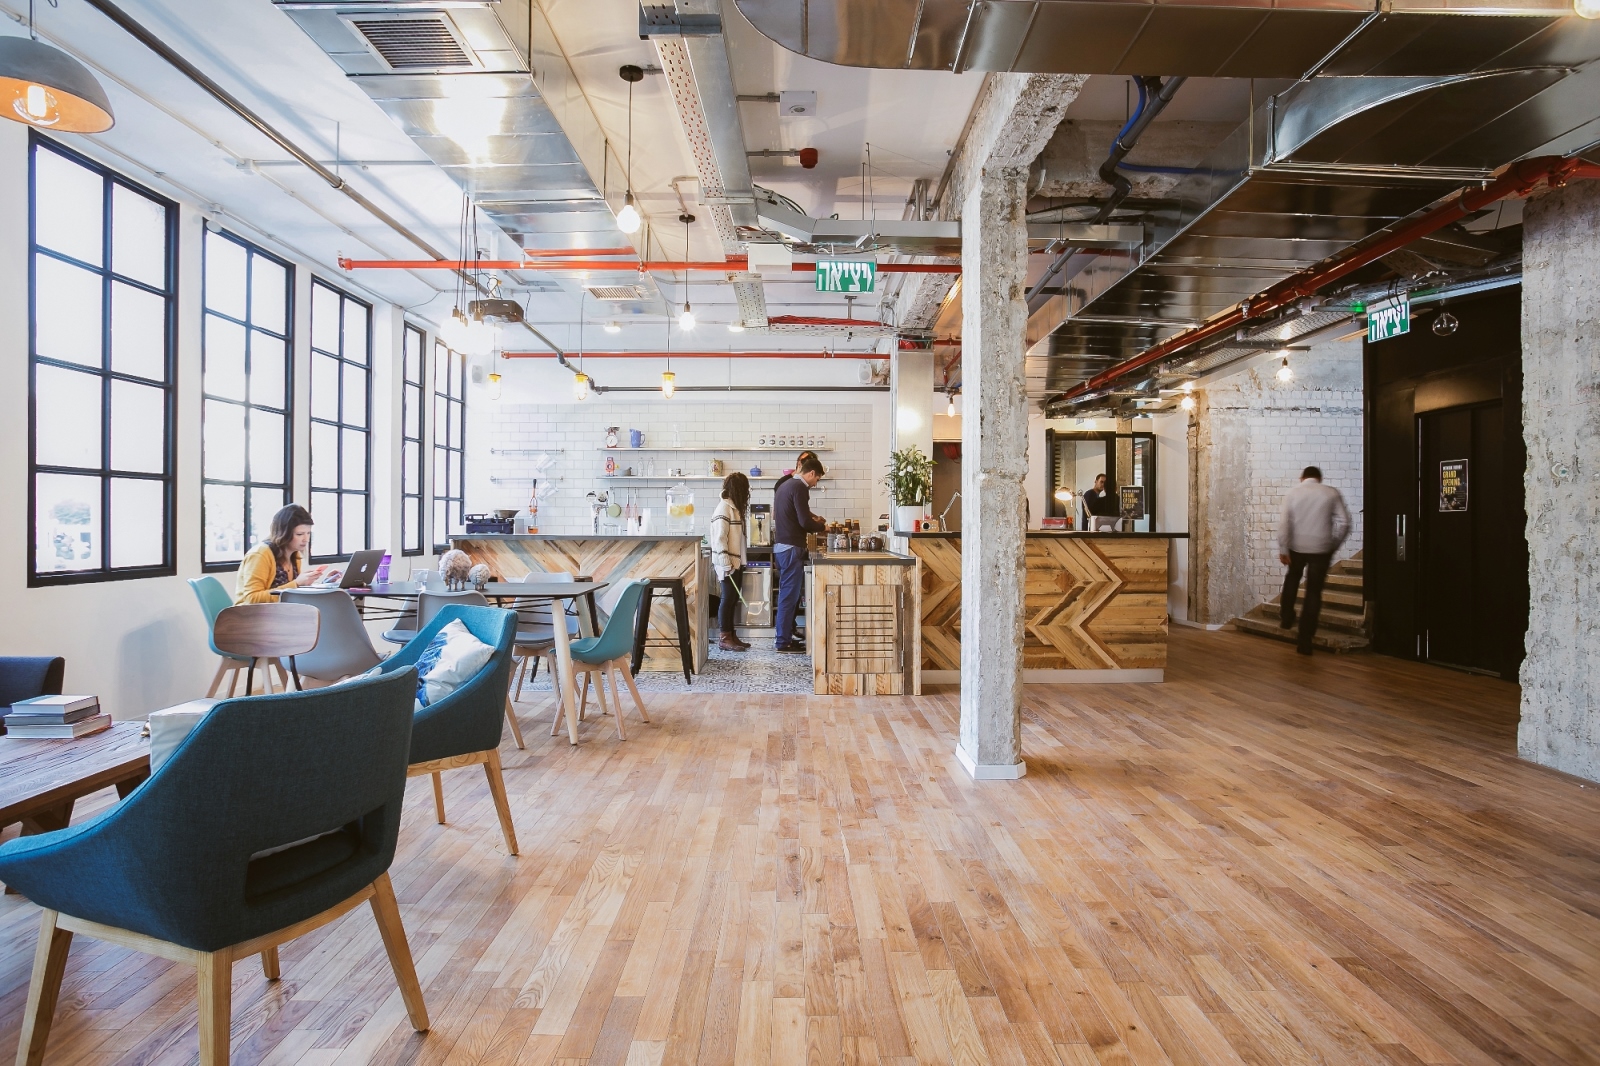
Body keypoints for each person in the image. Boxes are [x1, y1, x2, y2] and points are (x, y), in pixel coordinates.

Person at [1278, 466, 1352, 655]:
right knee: (1313, 592)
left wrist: (1283, 548)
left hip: (1297, 546)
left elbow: (1285, 523)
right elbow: (1344, 522)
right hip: (1321, 548)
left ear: (1302, 477)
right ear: (1319, 478)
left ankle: (1286, 616)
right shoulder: (1331, 493)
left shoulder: (1293, 493)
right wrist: (1333, 544)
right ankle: (1305, 640)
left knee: (1293, 578)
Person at [772, 455, 827, 652]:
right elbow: (804, 521)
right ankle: (782, 641)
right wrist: (820, 526)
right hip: (791, 548)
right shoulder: (800, 487)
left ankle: (784, 637)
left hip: (782, 547)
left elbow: (796, 515)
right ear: (811, 473)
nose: (815, 483)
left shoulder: (785, 486)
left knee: (788, 596)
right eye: (817, 479)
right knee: (789, 597)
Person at [234, 504, 332, 604]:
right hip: (250, 617)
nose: (306, 539)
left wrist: (325, 584)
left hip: (279, 615)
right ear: (284, 533)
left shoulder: (294, 555)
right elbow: (252, 599)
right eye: (299, 534)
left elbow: (293, 595)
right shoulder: (260, 554)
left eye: (308, 533)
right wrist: (296, 583)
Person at [709, 472, 752, 653]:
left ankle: (732, 635)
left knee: (733, 600)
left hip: (736, 561)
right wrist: (726, 562)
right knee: (727, 600)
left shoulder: (733, 508)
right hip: (727, 562)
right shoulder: (724, 509)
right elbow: (720, 538)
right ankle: (724, 638)